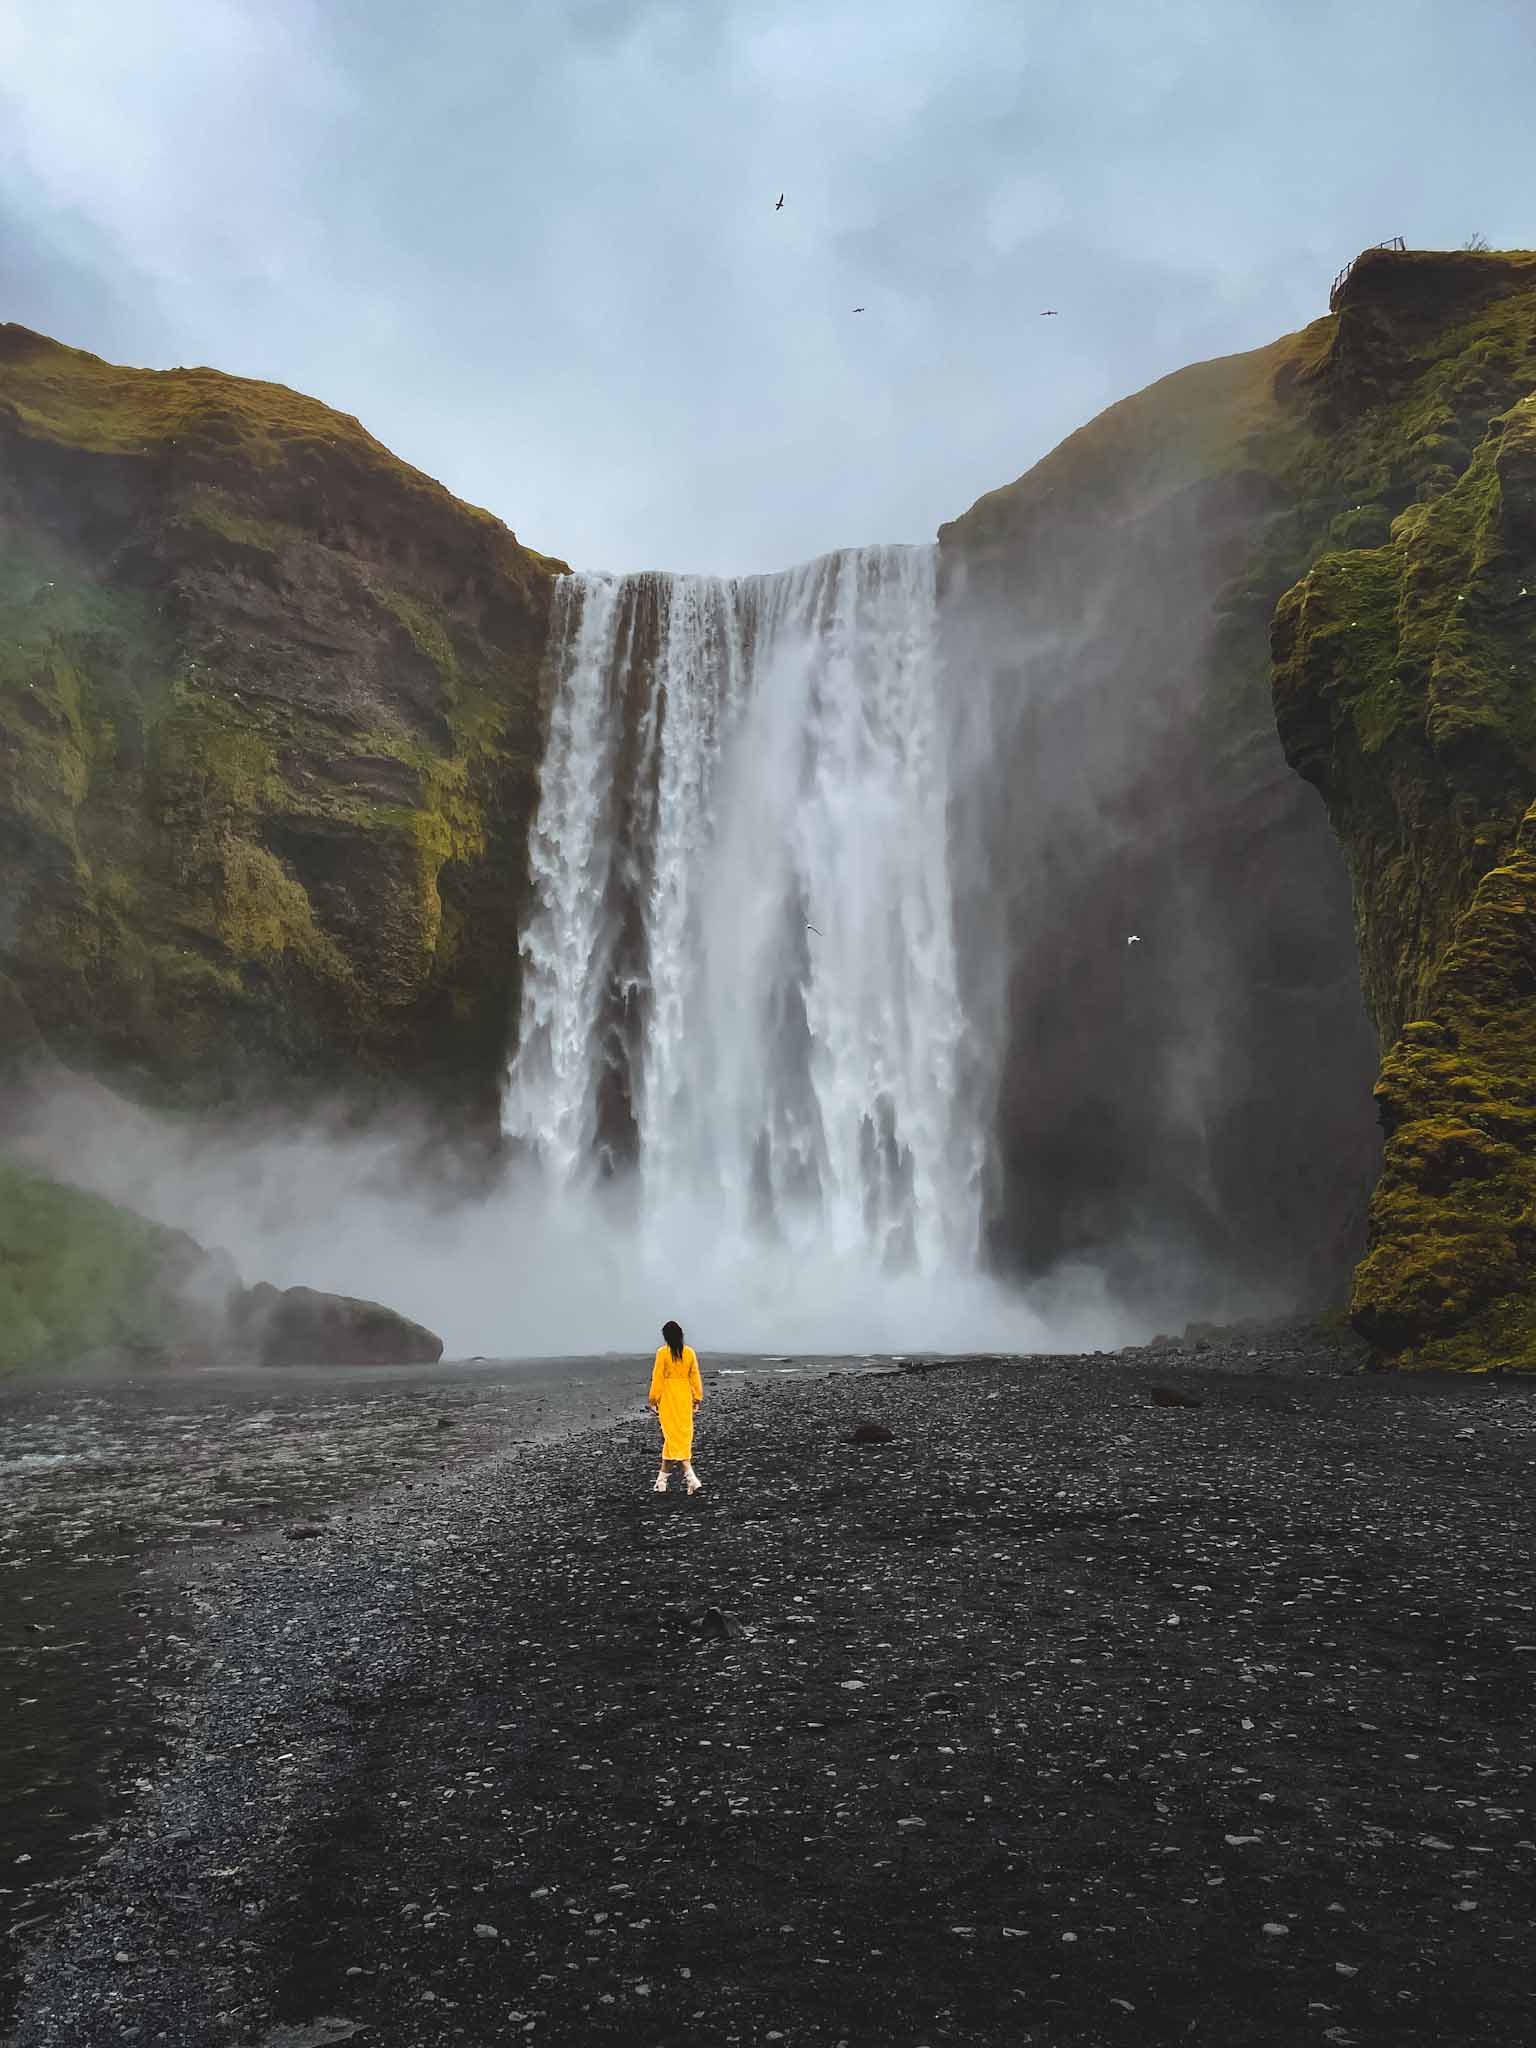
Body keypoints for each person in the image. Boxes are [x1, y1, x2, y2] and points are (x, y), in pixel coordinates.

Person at [648, 1318, 703, 1494]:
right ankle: (661, 1481)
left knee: (672, 1438)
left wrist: (653, 1399)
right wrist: (697, 1398)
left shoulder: (662, 1353)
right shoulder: (689, 1353)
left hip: (669, 1396)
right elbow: (695, 1376)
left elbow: (658, 1377)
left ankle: (691, 1478)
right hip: (684, 1395)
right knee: (678, 1438)